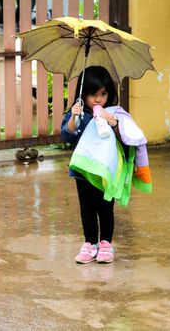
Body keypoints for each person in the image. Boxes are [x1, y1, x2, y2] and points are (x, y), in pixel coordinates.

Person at [61, 66, 121, 264]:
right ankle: (89, 243)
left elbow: (124, 138)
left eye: (103, 94)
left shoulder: (111, 112)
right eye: (93, 94)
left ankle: (105, 243)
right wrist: (73, 119)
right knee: (87, 209)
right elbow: (67, 137)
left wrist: (112, 121)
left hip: (104, 170)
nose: (98, 100)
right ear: (83, 93)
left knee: (105, 208)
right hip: (83, 172)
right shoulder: (79, 115)